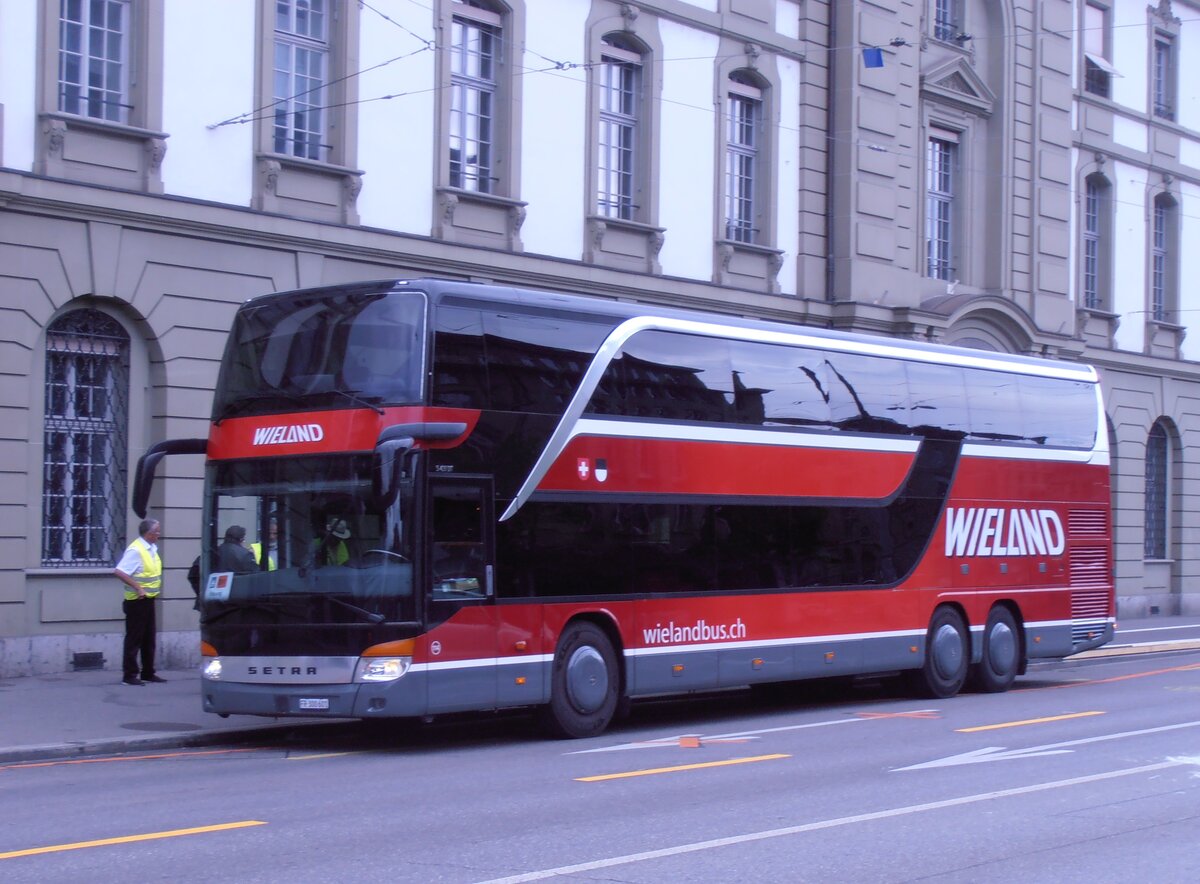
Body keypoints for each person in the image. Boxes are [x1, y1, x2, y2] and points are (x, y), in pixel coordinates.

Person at [113, 518, 166, 686]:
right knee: (134, 638)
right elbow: (120, 571)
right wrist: (138, 588)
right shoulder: (136, 550)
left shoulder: (151, 549)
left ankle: (148, 672)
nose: (159, 534)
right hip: (136, 601)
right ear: (149, 534)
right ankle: (129, 675)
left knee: (149, 638)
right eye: (157, 532)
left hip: (149, 600)